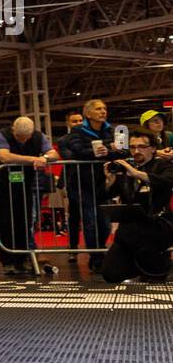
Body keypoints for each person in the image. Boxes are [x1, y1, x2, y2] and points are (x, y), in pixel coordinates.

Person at [100, 130, 173, 283]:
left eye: (142, 146)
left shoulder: (163, 165)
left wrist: (136, 173)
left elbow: (166, 182)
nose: (136, 151)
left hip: (157, 224)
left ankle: (157, 264)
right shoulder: (126, 168)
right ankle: (140, 266)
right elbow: (106, 195)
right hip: (129, 227)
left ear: (153, 148)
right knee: (110, 273)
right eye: (132, 147)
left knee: (152, 273)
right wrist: (110, 180)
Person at [0, 116, 58, 275]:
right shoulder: (2, 134)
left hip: (25, 185)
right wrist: (34, 159)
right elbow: (4, 157)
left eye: (27, 138)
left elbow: (53, 154)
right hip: (2, 184)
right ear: (14, 129)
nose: (23, 141)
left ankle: (23, 260)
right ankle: (8, 261)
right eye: (20, 138)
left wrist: (45, 157)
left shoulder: (39, 136)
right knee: (5, 223)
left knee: (25, 222)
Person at [59, 98, 121, 271]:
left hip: (105, 182)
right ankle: (96, 257)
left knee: (105, 223)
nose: (103, 111)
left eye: (105, 108)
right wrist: (104, 151)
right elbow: (78, 152)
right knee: (89, 221)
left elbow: (123, 150)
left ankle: (100, 250)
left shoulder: (111, 129)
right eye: (99, 109)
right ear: (88, 113)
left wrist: (106, 150)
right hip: (82, 183)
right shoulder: (77, 131)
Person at [55, 110, 85, 260]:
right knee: (74, 218)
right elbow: (70, 157)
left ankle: (98, 249)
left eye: (80, 120)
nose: (79, 123)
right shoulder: (63, 141)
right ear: (68, 123)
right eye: (75, 121)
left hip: (92, 182)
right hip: (72, 183)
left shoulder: (90, 137)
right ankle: (73, 249)